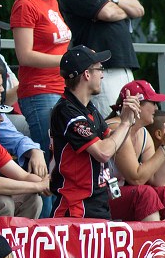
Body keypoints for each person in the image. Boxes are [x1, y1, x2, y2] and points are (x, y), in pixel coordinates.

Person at [50, 46, 140, 219]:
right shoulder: (66, 110)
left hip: (98, 202)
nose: (103, 74)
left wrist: (130, 121)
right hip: (76, 208)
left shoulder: (89, 109)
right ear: (86, 74)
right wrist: (125, 123)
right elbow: (103, 152)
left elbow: (113, 145)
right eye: (100, 69)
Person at [60, 0, 144, 115]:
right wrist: (120, 8)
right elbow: (109, 13)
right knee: (113, 123)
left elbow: (139, 9)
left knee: (131, 123)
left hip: (122, 67)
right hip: (101, 72)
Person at [105, 80, 165, 222]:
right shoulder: (116, 127)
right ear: (137, 103)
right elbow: (136, 178)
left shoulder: (142, 133)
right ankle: (155, 243)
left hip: (117, 195)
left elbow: (158, 180)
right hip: (100, 198)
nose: (156, 107)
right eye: (153, 102)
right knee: (145, 193)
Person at [10, 0, 72, 157]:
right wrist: (66, 60)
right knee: (48, 156)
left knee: (62, 156)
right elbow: (24, 55)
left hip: (60, 88)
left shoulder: (52, 1)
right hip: (39, 91)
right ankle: (43, 192)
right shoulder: (25, 4)